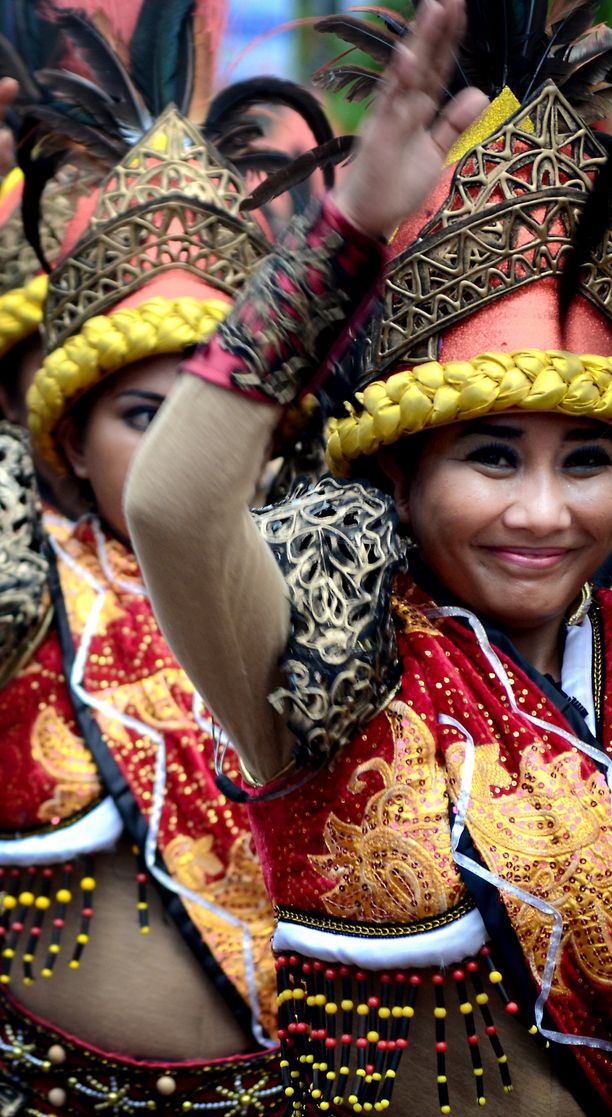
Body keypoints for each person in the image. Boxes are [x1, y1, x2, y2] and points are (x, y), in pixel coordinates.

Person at [127, 1, 612, 1114]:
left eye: (585, 460)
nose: (543, 512)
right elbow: (170, 506)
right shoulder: (325, 664)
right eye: (493, 457)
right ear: (400, 476)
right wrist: (346, 233)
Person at [0, 2, 338, 1111]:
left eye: (213, 415)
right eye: (146, 415)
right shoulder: (24, 583)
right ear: (69, 443)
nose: (186, 451)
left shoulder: (345, 593)